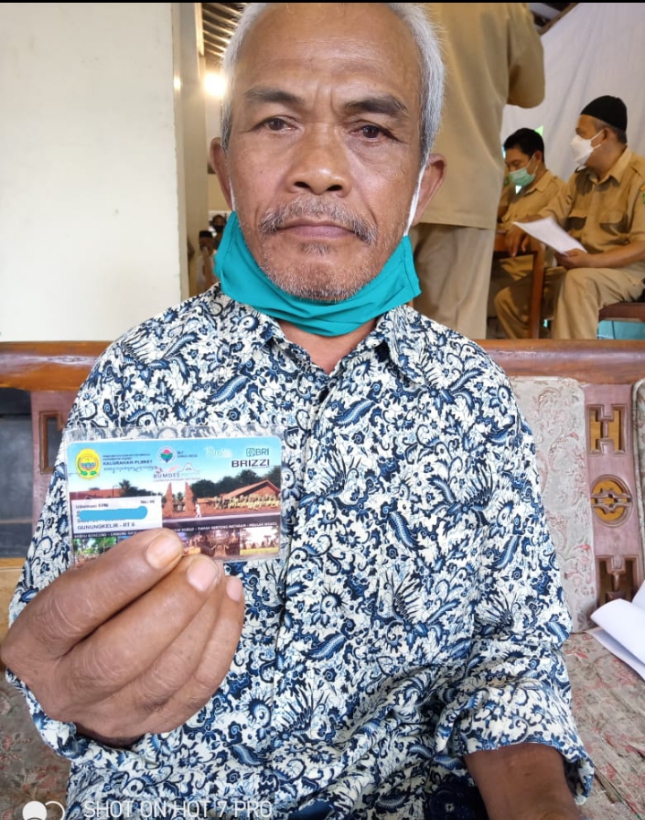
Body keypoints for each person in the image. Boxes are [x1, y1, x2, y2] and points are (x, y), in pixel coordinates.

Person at [2, 4, 592, 818]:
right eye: (276, 121)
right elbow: (64, 669)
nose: (319, 168)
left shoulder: (471, 398)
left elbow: (510, 663)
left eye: (371, 130)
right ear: (224, 166)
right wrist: (88, 702)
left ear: (423, 185)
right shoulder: (139, 376)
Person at [409, 3, 545, 340]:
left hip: (382, 174)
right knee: (452, 340)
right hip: (465, 182)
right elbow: (531, 91)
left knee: (357, 326)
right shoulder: (504, 7)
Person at [497, 95, 645, 339]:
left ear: (604, 136)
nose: (575, 142)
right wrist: (527, 224)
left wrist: (591, 262)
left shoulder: (639, 177)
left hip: (624, 274)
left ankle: (575, 363)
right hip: (580, 269)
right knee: (509, 301)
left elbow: (642, 246)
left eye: (581, 134)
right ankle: (549, 357)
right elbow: (551, 214)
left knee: (577, 282)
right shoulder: (580, 178)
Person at [488, 128, 564, 336]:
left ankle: (546, 350)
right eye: (508, 166)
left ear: (537, 157)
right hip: (501, 271)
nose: (512, 171)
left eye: (517, 164)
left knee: (472, 296)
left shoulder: (557, 191)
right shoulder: (517, 194)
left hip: (527, 276)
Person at [195, 229, 217, 294]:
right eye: (201, 243)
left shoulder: (218, 257)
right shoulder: (199, 260)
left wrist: (207, 260)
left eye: (206, 243)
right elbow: (199, 281)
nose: (204, 246)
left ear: (212, 241)